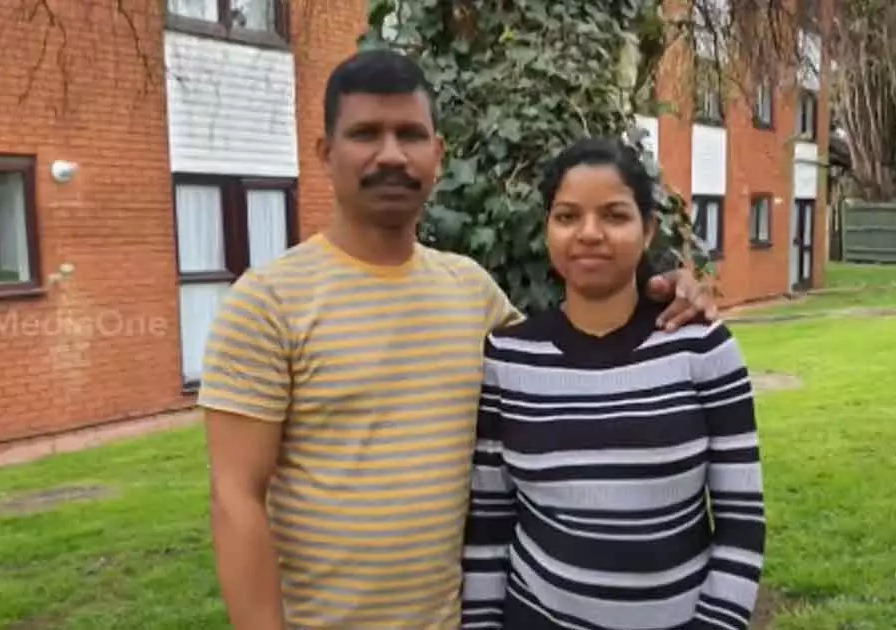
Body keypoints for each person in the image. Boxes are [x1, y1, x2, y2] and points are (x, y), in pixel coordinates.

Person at [198, 49, 719, 630]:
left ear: (437, 154)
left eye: (410, 135)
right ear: (325, 153)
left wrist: (670, 291)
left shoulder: (470, 291)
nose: (391, 154)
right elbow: (235, 497)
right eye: (366, 134)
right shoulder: (267, 303)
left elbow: (573, 354)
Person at [459, 137, 765, 630]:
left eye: (614, 215)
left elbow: (741, 524)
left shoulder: (703, 350)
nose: (589, 233)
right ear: (547, 229)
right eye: (567, 216)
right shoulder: (508, 358)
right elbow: (490, 527)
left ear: (648, 230)